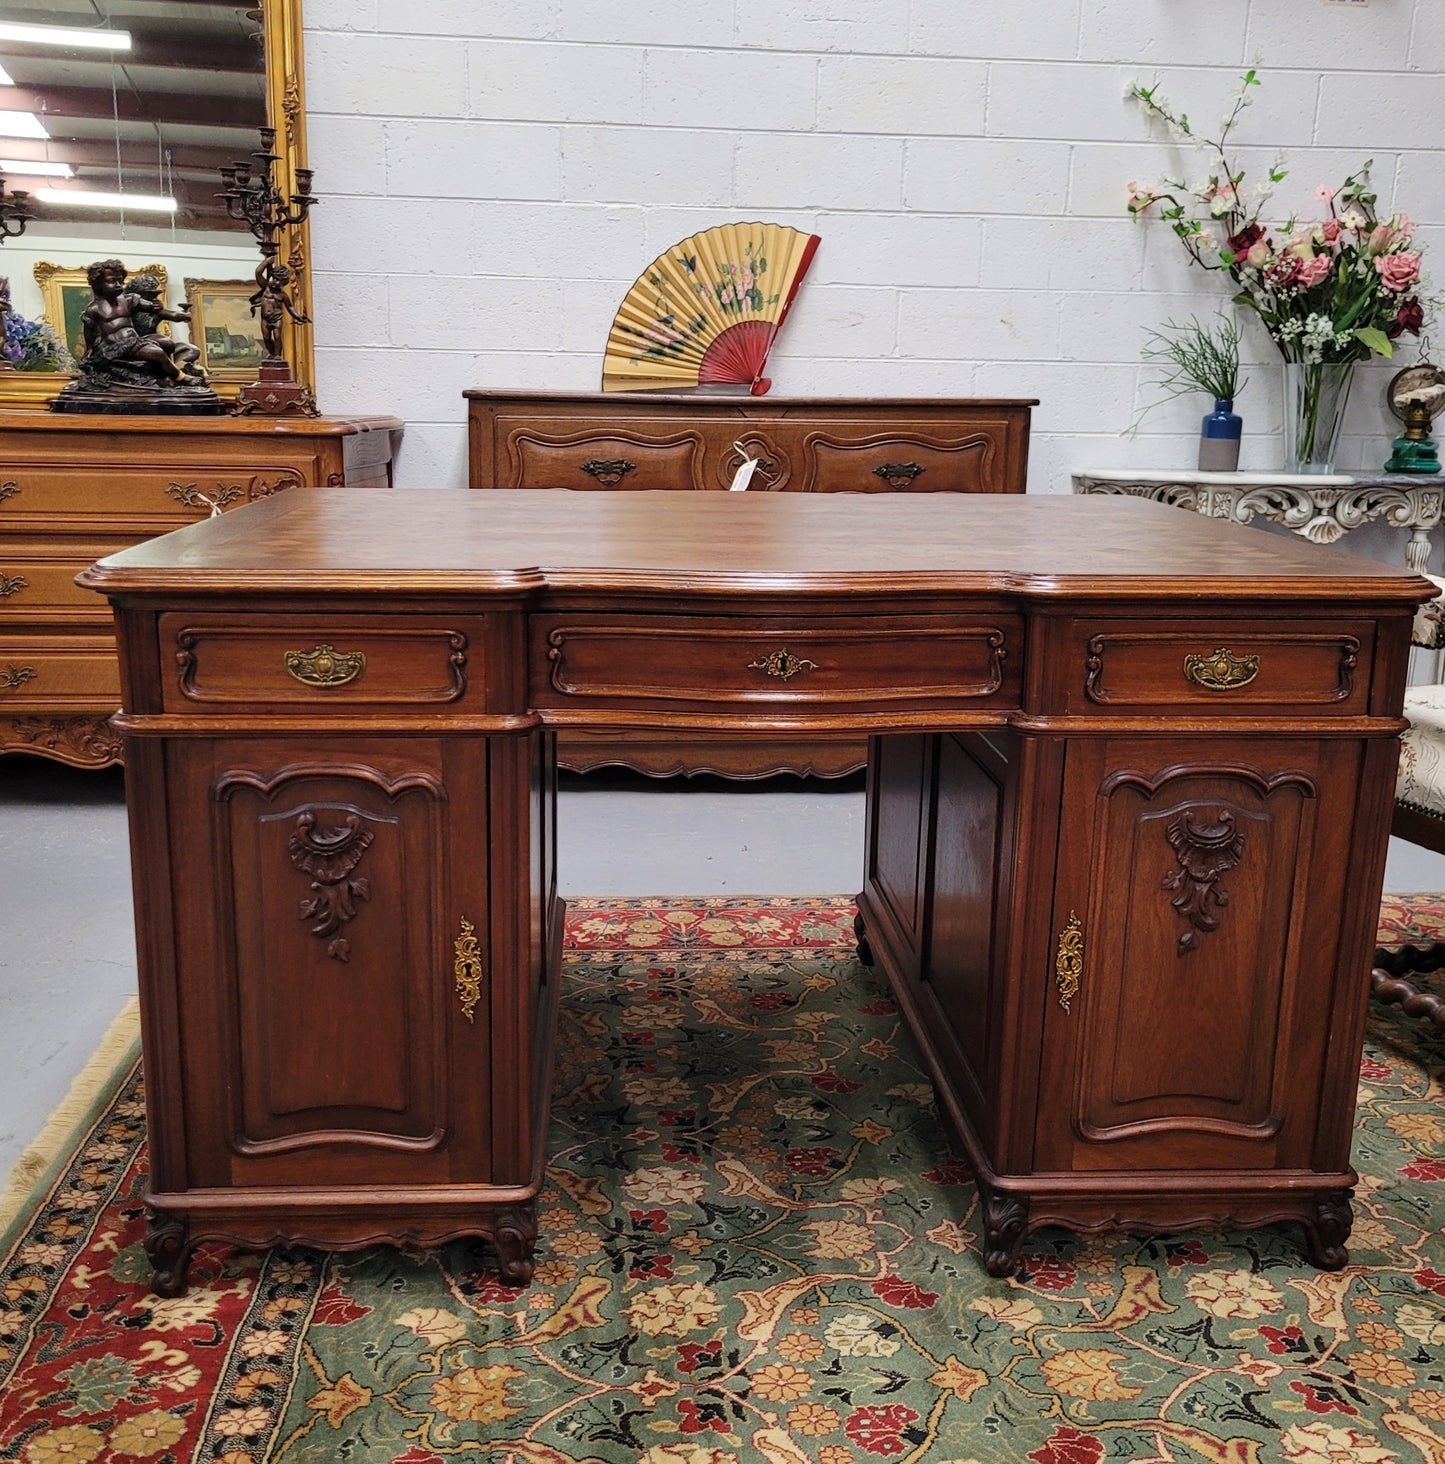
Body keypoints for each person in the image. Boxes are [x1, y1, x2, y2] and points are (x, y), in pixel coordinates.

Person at [78, 258, 183, 382]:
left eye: (120, 281)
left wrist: (157, 306)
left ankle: (158, 374)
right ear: (98, 283)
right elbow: (89, 331)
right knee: (157, 353)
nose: (117, 285)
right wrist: (89, 351)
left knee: (167, 343)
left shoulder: (128, 300)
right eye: (112, 281)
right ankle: (181, 378)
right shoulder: (94, 308)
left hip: (135, 341)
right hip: (116, 348)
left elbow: (152, 307)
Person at [128, 273, 208, 383]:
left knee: (191, 350)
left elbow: (174, 316)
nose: (154, 298)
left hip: (159, 347)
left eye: (155, 294)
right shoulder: (127, 308)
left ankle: (173, 372)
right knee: (164, 342)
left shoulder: (154, 308)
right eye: (150, 295)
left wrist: (186, 314)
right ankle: (172, 373)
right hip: (137, 348)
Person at [249, 260, 309, 361]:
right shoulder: (266, 287)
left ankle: (277, 354)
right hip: (265, 319)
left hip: (277, 318)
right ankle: (272, 353)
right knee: (266, 338)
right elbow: (258, 272)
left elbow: (290, 307)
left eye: (279, 282)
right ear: (272, 276)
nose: (276, 283)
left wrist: (298, 316)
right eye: (275, 279)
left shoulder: (282, 295)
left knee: (277, 336)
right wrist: (267, 262)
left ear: (283, 283)